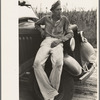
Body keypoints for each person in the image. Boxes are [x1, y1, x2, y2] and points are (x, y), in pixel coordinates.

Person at [32, 0, 74, 100]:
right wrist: (41, 31)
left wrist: (60, 40)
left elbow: (70, 33)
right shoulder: (46, 18)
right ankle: (50, 92)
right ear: (53, 11)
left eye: (61, 9)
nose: (60, 11)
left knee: (59, 63)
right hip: (46, 41)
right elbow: (36, 24)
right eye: (58, 10)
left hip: (58, 43)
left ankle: (49, 96)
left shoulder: (64, 19)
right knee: (37, 64)